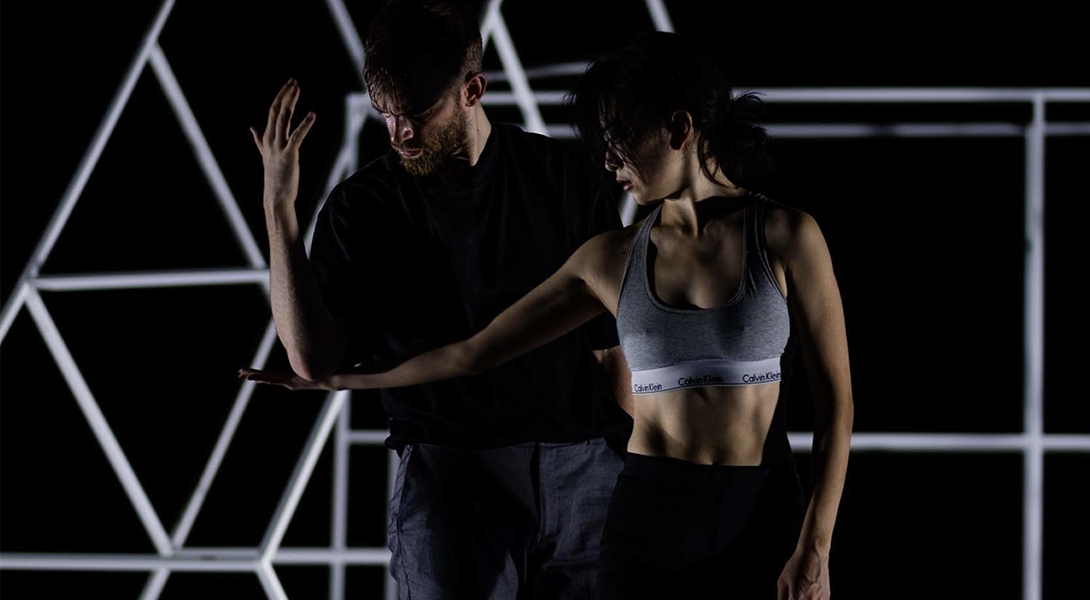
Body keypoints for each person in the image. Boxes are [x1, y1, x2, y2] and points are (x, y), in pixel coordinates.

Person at [243, 30, 852, 600]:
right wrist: (336, 379)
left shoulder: (787, 235)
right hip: (647, 510)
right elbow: (474, 351)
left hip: (761, 506)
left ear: (679, 128)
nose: (609, 158)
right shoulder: (609, 259)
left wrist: (816, 543)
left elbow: (836, 404)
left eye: (620, 138)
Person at [246, 1, 635, 598]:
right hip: (451, 478)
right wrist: (279, 210)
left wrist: (644, 466)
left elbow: (612, 352)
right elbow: (310, 360)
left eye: (417, 114)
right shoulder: (363, 208)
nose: (399, 133)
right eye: (386, 114)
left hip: (584, 469)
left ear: (472, 89)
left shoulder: (563, 176)